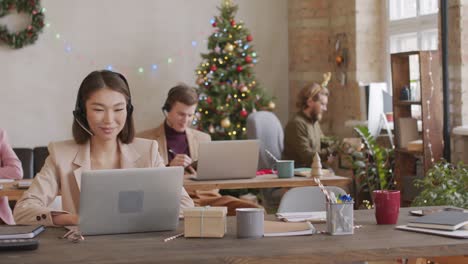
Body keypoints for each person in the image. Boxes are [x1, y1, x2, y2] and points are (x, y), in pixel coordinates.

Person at [13, 70, 194, 226]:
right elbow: (23, 210)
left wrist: (140, 219)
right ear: (82, 113)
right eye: (98, 110)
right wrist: (74, 219)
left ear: (128, 110)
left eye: (118, 109)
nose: (109, 120)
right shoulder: (61, 154)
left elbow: (185, 205)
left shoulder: (148, 151)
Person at [138, 83, 260, 216]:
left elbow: (214, 179)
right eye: (181, 114)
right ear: (167, 110)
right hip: (175, 200)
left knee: (256, 211)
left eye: (190, 115)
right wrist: (168, 168)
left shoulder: (204, 138)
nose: (186, 120)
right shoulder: (146, 139)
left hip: (208, 198)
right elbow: (143, 182)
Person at [282, 83, 330, 168]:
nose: (325, 109)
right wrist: (330, 151)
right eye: (322, 104)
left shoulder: (314, 122)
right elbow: (308, 157)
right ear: (310, 102)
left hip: (312, 170)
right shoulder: (296, 124)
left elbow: (324, 142)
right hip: (298, 175)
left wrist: (341, 146)